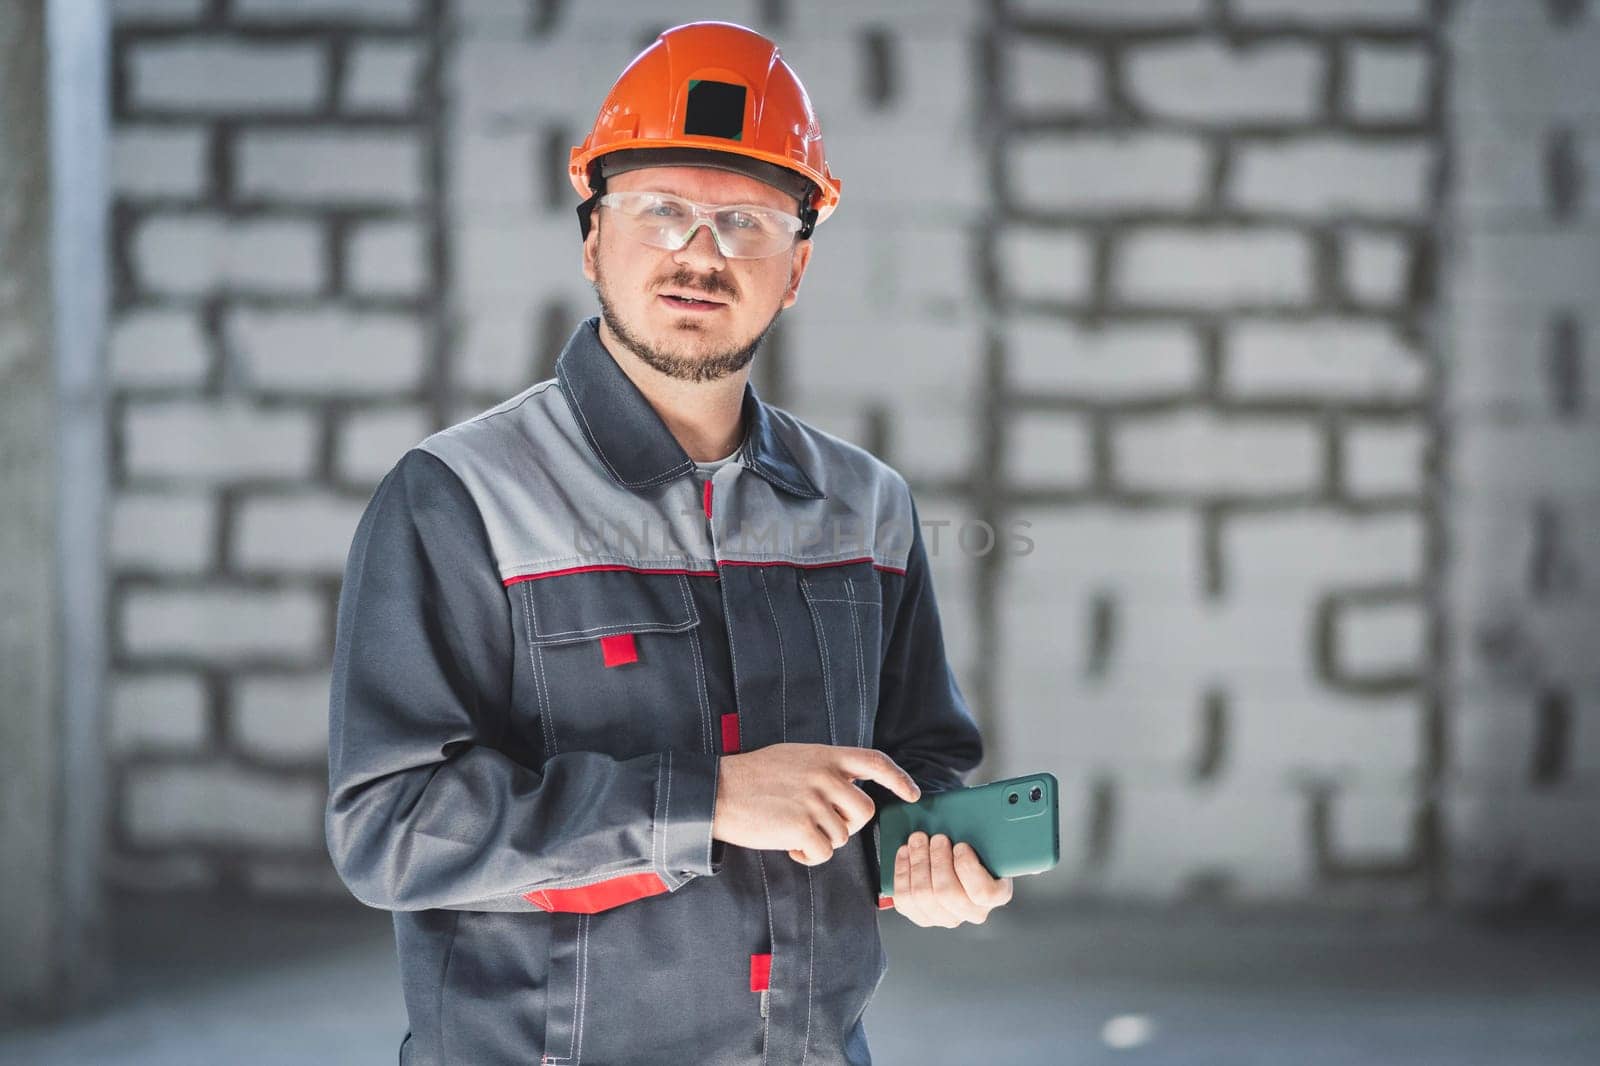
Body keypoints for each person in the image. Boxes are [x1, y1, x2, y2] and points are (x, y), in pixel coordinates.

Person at [325, 20, 1011, 1066]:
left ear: (796, 268)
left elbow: (919, 762)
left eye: (746, 221)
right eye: (661, 211)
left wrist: (937, 852)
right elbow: (391, 826)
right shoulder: (460, 499)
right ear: (593, 237)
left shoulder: (864, 506)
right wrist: (710, 798)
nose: (701, 252)